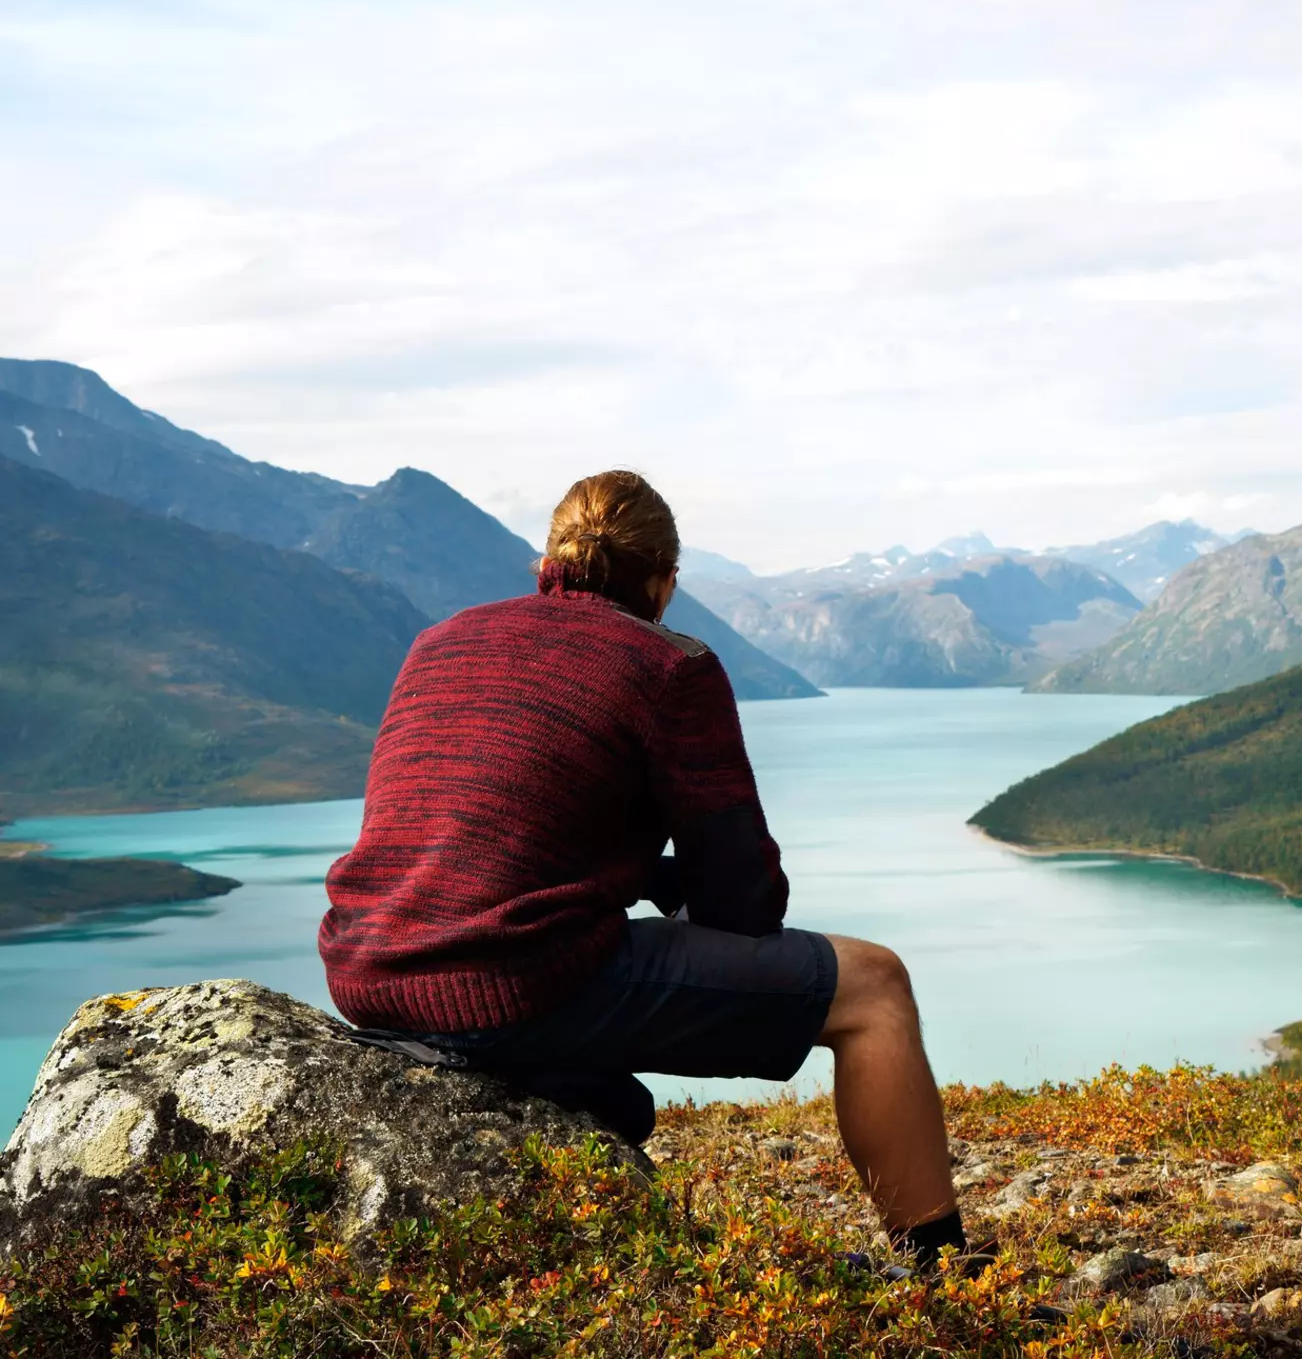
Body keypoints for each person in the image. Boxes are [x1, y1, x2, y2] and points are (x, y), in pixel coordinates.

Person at [318, 469, 971, 1270]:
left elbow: (480, 838)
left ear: (546, 563)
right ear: (665, 583)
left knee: (611, 1084)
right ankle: (949, 1277)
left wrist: (639, 879)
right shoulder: (669, 666)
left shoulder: (440, 641)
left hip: (367, 972)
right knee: (874, 988)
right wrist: (677, 893)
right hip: (510, 981)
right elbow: (741, 900)